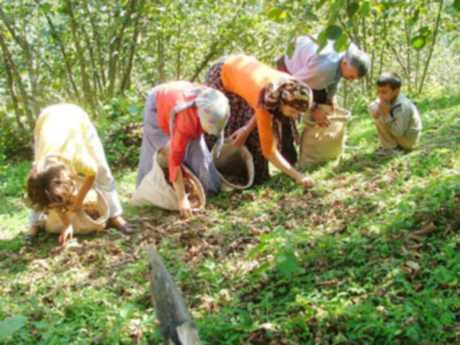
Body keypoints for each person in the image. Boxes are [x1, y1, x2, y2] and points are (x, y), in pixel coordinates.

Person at [26, 104, 131, 246]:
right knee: (41, 195)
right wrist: (67, 224)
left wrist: (77, 203)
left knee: (103, 171)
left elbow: (92, 174)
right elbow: (50, 194)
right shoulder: (39, 171)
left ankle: (115, 216)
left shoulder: (78, 159)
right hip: (45, 120)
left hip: (76, 118)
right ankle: (34, 224)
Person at [205, 54, 313, 187]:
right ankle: (213, 173)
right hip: (222, 74)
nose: (294, 116)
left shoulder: (292, 86)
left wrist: (246, 129)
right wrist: (298, 176)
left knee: (249, 129)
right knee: (225, 123)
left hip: (243, 70)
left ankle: (256, 177)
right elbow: (269, 151)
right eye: (292, 112)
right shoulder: (272, 93)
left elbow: (259, 104)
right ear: (280, 102)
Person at [136, 81, 230, 218]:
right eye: (209, 129)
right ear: (201, 117)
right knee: (160, 151)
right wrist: (181, 199)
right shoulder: (186, 122)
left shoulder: (217, 104)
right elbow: (173, 159)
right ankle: (146, 192)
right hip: (158, 103)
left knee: (198, 152)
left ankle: (210, 188)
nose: (210, 132)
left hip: (179, 96)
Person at [277, 36, 370, 127]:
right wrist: (314, 109)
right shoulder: (324, 69)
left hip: (308, 69)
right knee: (287, 116)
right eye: (351, 77)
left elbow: (337, 76)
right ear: (345, 63)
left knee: (325, 104)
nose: (350, 81)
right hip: (289, 71)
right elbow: (294, 85)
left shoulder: (347, 50)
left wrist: (330, 98)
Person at [369, 72, 422, 153]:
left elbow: (398, 132)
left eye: (384, 92)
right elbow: (374, 104)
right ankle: (390, 146)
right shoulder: (389, 98)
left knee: (380, 116)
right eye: (378, 92)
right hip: (401, 135)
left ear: (396, 91)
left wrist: (386, 115)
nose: (380, 95)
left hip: (408, 140)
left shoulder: (403, 106)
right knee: (377, 110)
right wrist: (375, 107)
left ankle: (391, 148)